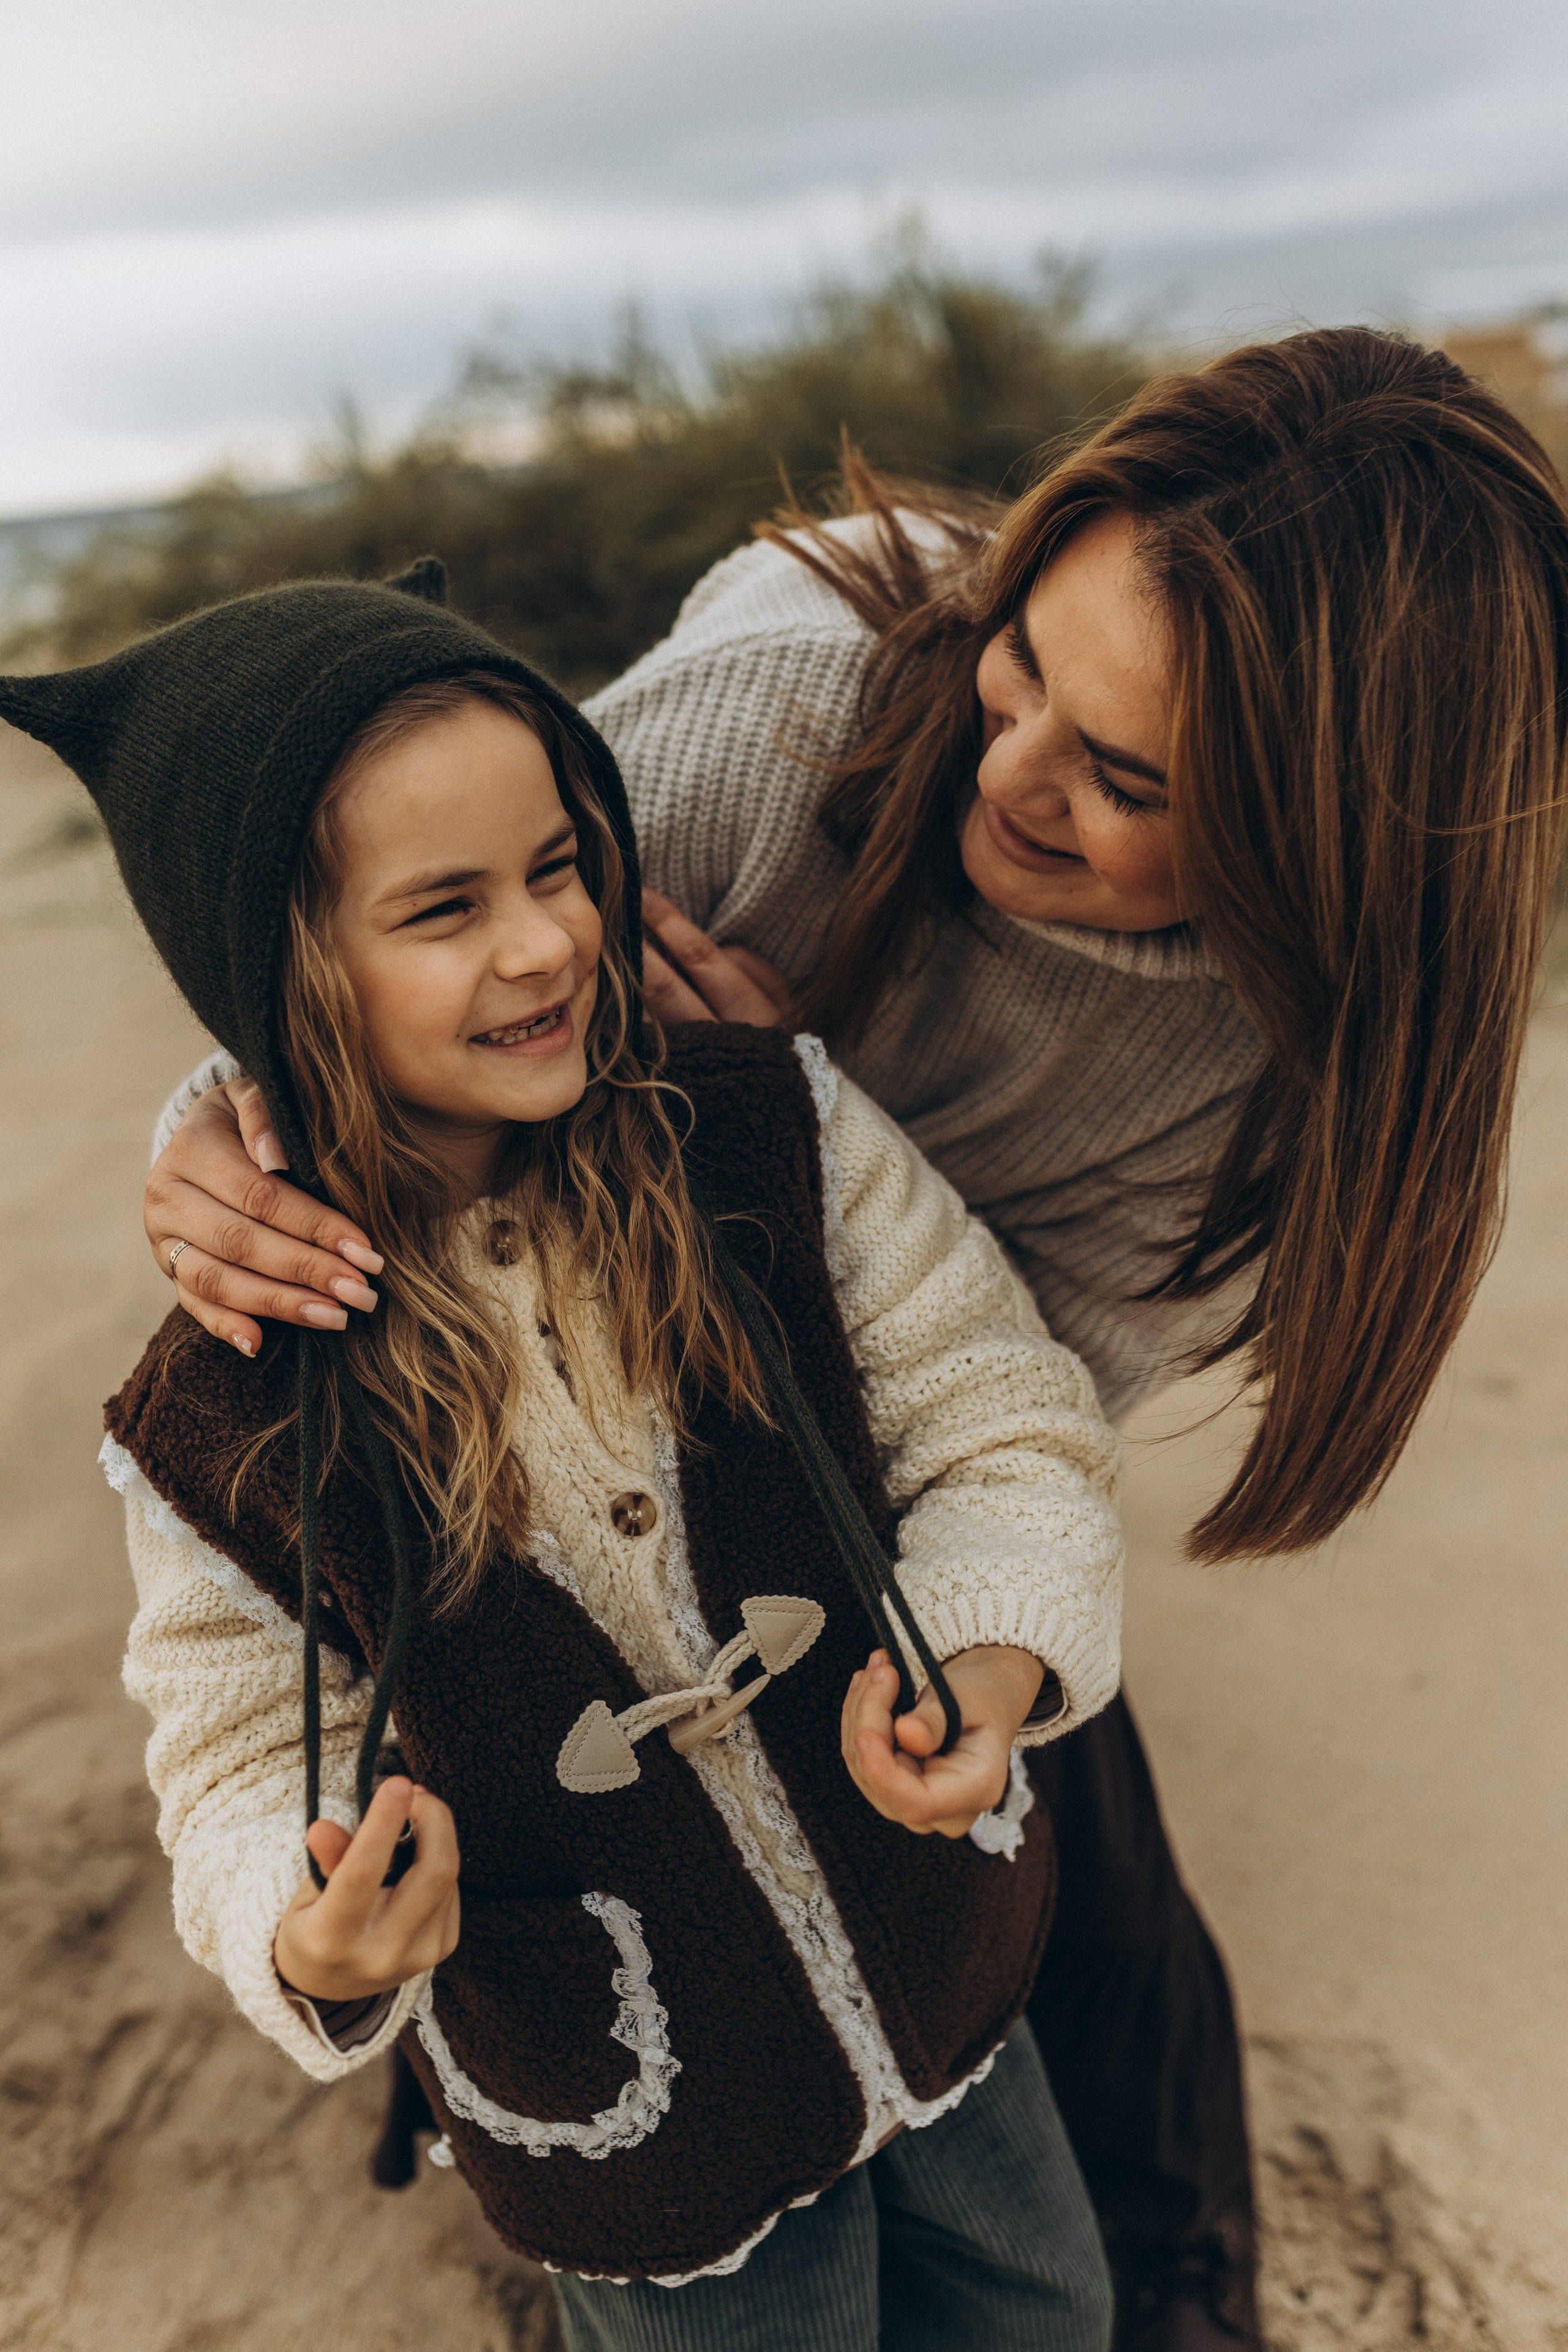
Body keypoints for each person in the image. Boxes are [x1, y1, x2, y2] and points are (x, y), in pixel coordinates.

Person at [134, 327, 1568, 2350]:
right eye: (1022, 667)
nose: (1012, 775)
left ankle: (1183, 2281)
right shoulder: (783, 706)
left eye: (1130, 779)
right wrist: (220, 1135)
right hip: (504, 1392)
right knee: (505, 1808)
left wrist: (775, 1135)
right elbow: (376, 923)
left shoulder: (1285, 1079)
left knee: (1079, 1869)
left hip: (845, 1452)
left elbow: (994, 1416)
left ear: (1332, 840)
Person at [0, 570, 1131, 2349]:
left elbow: (1000, 1415)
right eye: (443, 908)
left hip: (933, 1934)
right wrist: (306, 1930)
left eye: (558, 866)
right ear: (280, 971)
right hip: (627, 2090)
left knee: (1043, 2307)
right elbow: (225, 1743)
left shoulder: (765, 1128)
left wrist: (987, 1643)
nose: (541, 944)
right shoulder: (223, 1402)